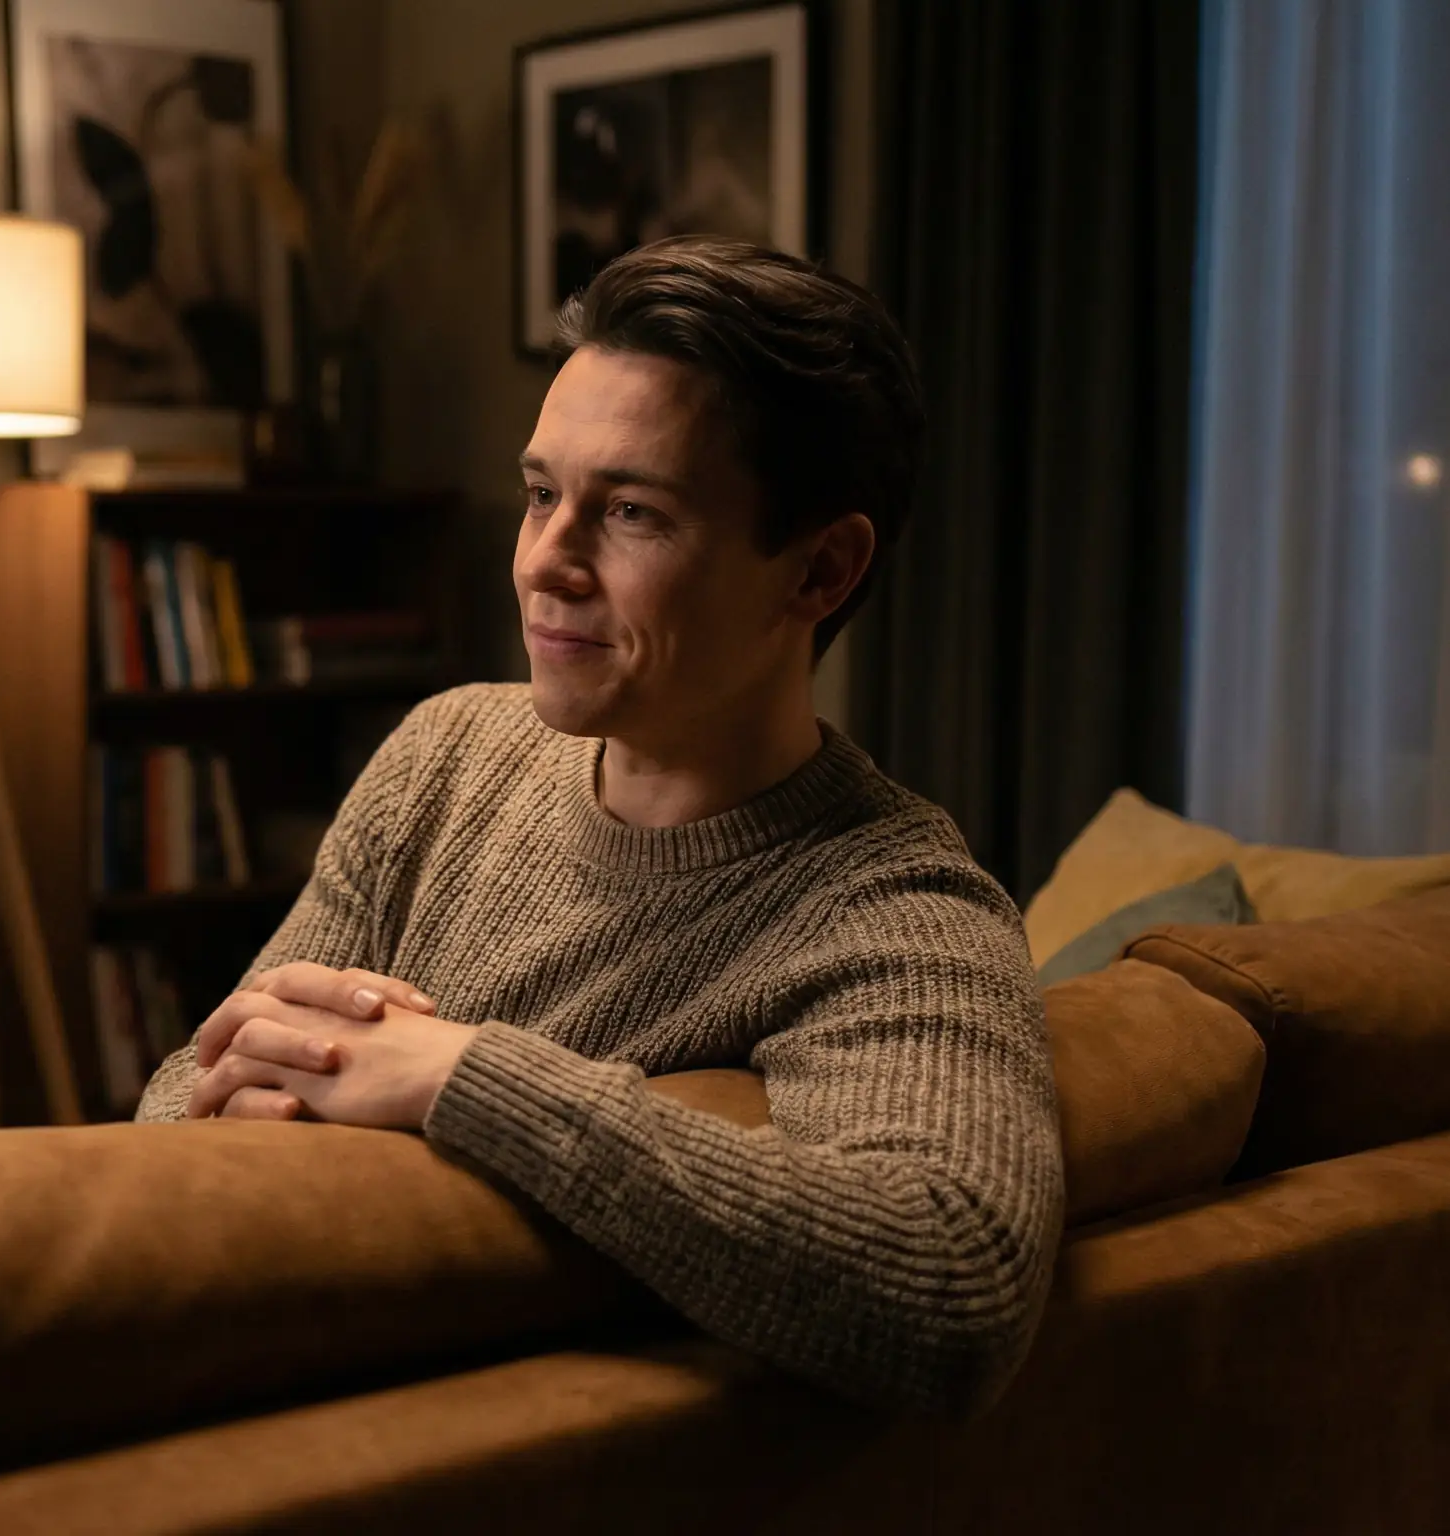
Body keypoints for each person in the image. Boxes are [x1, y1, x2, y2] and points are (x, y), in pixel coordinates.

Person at [134, 238, 1059, 1420]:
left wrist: (464, 1075)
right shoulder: (446, 751)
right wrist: (255, 1100)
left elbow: (951, 1287)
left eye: (630, 511)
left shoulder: (891, 911)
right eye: (538, 495)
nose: (543, 564)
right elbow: (192, 1076)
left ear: (819, 571)